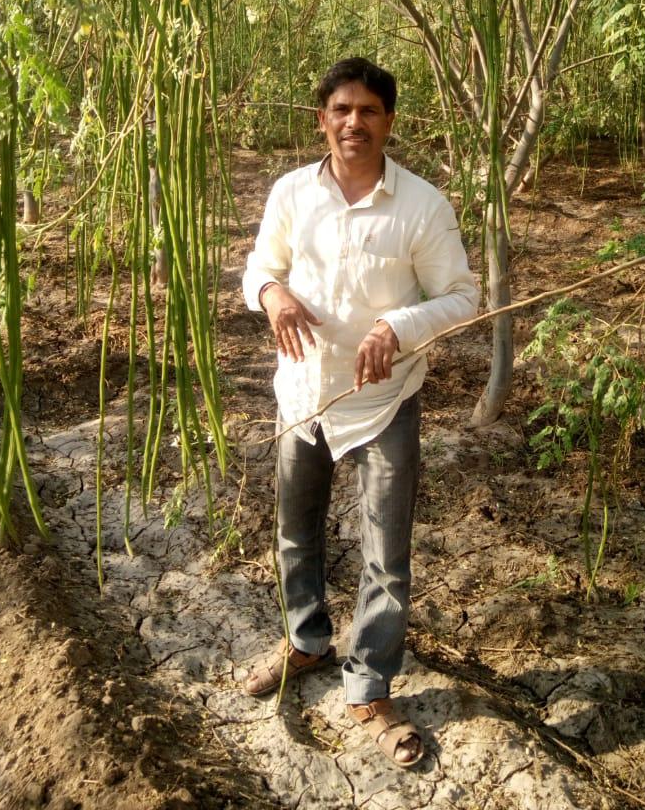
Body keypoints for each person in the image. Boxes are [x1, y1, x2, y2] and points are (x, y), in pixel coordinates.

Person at [241, 57, 478, 768]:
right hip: (303, 394)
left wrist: (396, 329)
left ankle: (370, 686)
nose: (353, 122)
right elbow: (261, 267)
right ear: (322, 120)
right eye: (341, 110)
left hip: (383, 403)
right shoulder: (291, 194)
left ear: (389, 122)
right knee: (294, 533)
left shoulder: (423, 205)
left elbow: (461, 296)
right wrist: (273, 297)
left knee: (385, 556)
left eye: (368, 111)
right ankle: (306, 641)